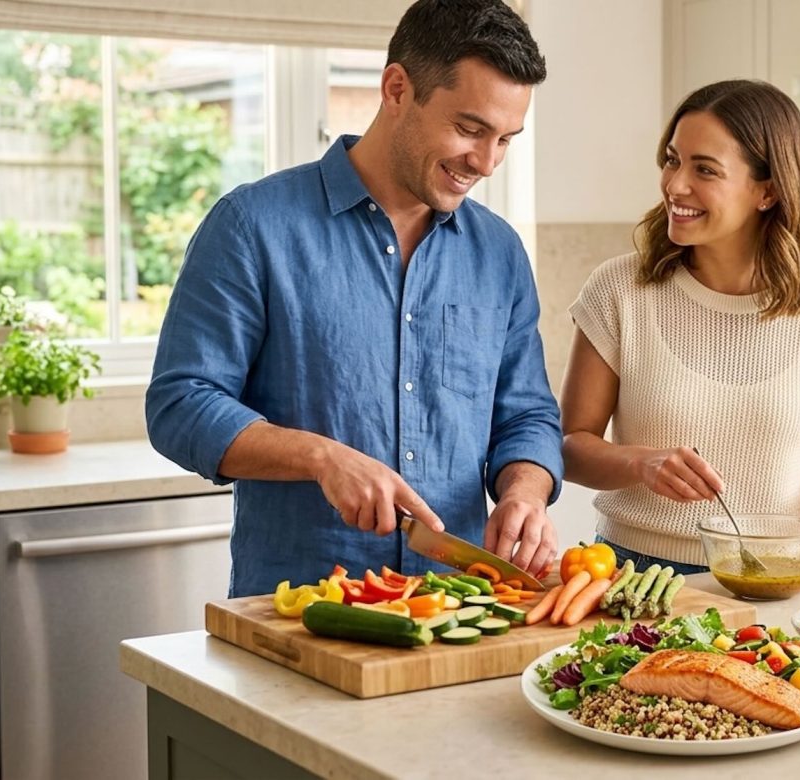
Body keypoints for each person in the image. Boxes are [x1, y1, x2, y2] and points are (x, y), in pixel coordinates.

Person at [146, 0, 562, 598]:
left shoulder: (499, 254)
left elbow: (526, 414)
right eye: (470, 129)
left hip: (462, 610)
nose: (487, 162)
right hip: (299, 611)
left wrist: (525, 490)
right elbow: (179, 405)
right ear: (397, 88)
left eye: (505, 139)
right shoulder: (252, 226)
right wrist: (321, 458)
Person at [560, 80, 800, 582]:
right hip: (633, 576)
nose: (675, 185)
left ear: (767, 191)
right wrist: (641, 463)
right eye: (672, 159)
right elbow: (570, 445)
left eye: (704, 169)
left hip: (773, 575)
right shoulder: (620, 290)